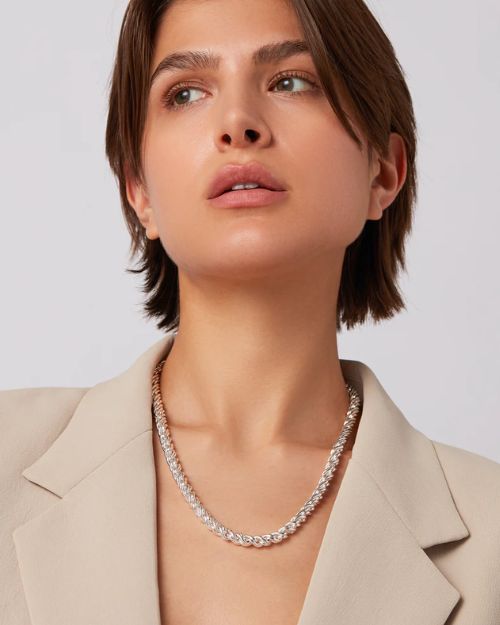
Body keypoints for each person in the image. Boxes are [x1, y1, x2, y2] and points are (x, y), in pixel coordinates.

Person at [1, 0, 499, 623]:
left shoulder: (491, 538)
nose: (238, 123)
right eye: (185, 93)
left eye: (291, 81)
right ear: (138, 190)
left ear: (384, 171)